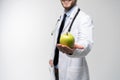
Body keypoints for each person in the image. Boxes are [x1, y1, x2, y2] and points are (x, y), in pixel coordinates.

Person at [49, 0, 94, 80]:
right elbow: (57, 42)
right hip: (56, 72)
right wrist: (53, 59)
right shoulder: (61, 18)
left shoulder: (84, 18)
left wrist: (72, 51)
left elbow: (86, 44)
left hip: (73, 75)